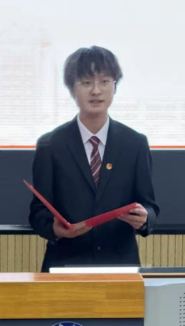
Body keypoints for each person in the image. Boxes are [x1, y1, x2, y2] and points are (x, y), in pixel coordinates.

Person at [29, 46, 160, 272]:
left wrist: (145, 217)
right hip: (64, 267)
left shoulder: (135, 143)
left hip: (120, 268)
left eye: (105, 81)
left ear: (115, 86)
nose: (96, 91)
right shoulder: (50, 145)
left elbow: (150, 205)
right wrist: (54, 228)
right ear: (72, 89)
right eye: (86, 82)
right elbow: (38, 214)